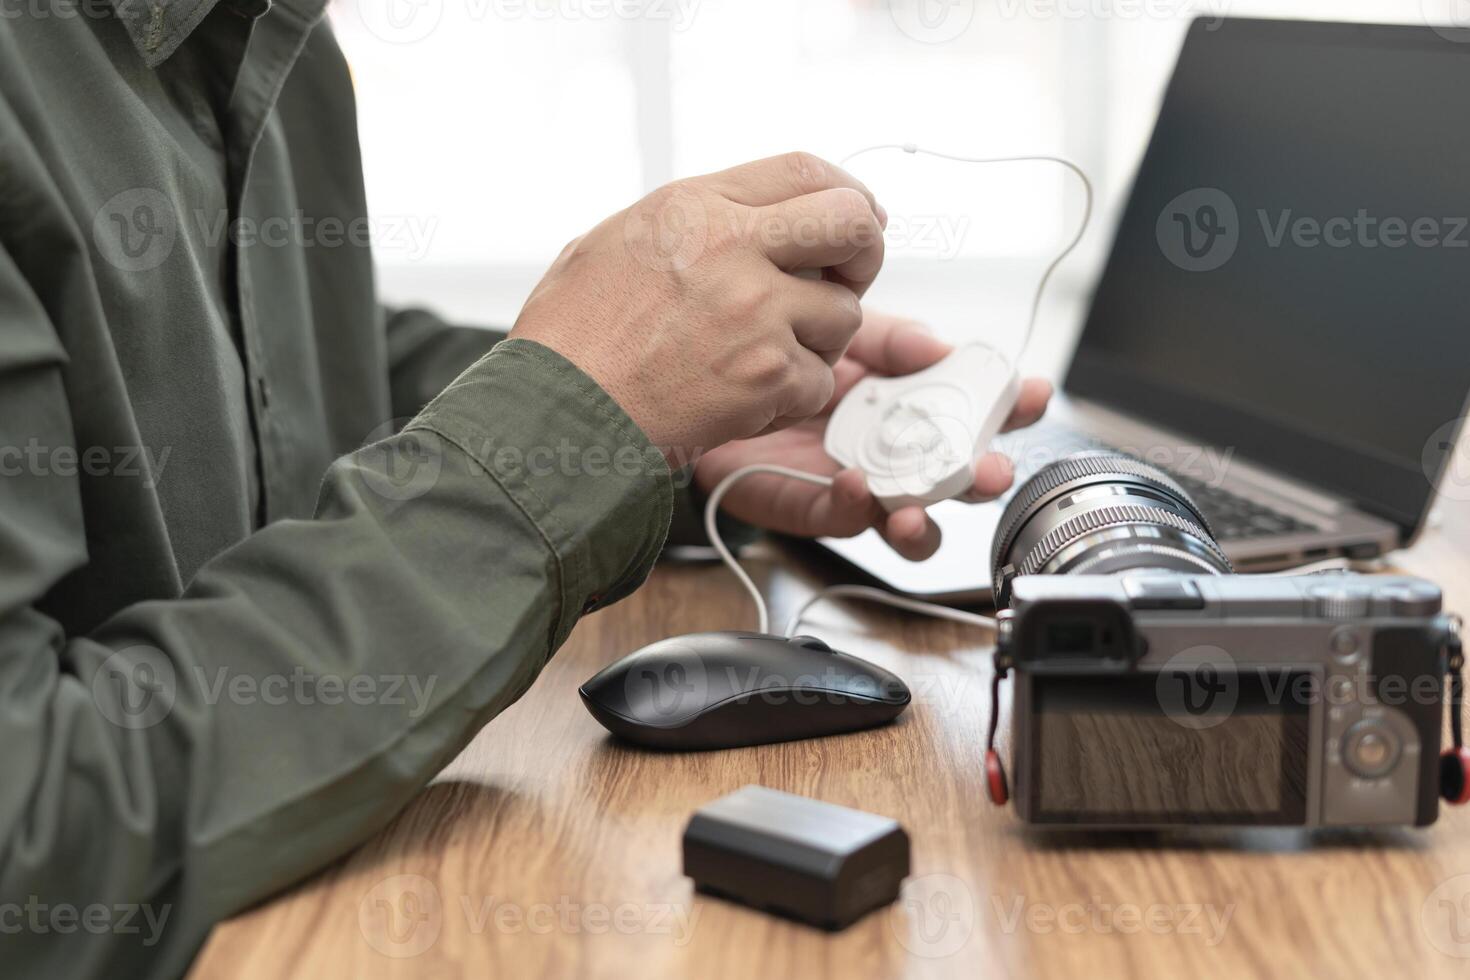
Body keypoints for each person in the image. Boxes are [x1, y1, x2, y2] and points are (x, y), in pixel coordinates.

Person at [0, 3, 1050, 976]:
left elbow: (270, 367)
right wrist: (573, 420)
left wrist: (665, 419)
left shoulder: (275, 41)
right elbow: (34, 842)